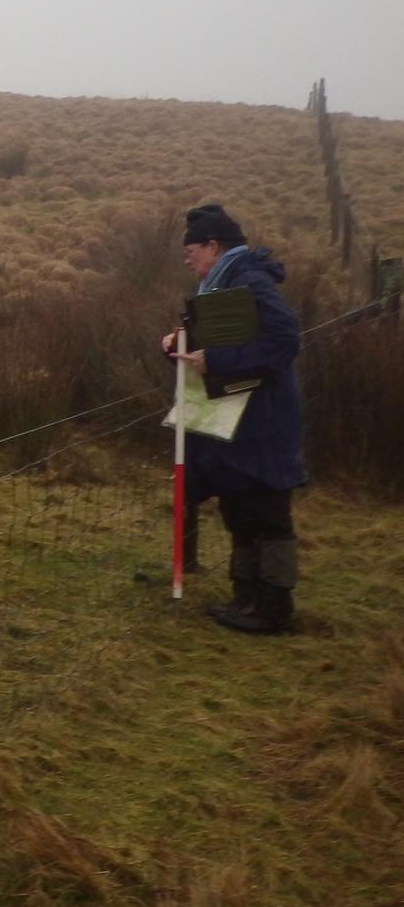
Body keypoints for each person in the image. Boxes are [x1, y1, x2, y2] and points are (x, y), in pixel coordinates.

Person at [159, 204, 307, 633]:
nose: (187, 258)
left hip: (262, 420)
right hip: (236, 417)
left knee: (265, 511)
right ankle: (246, 599)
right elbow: (221, 348)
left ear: (213, 245)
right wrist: (179, 346)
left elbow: (283, 339)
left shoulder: (250, 280)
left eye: (192, 249)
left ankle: (273, 608)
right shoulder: (224, 284)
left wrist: (217, 359)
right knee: (239, 506)